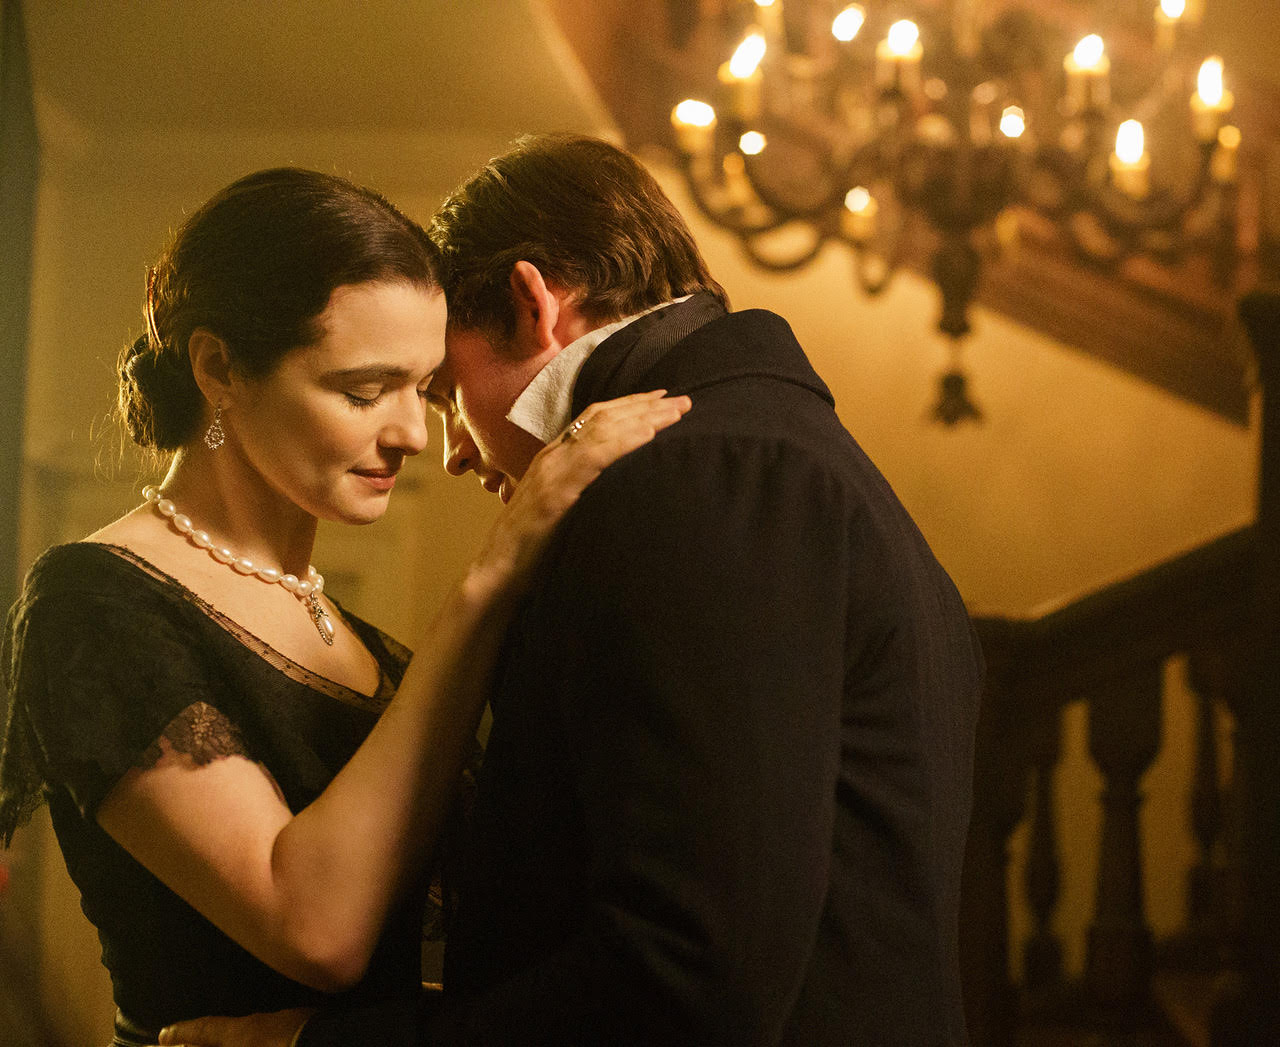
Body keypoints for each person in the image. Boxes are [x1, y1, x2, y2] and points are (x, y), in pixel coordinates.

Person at [162, 135, 984, 1047]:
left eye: (442, 391)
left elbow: (685, 978)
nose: (450, 448)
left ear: (533, 305)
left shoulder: (702, 475)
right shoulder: (769, 453)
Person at [0, 166, 690, 1046]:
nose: (411, 434)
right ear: (218, 368)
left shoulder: (369, 647)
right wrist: (494, 574)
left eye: (425, 389)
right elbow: (316, 931)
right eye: (364, 391)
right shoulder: (94, 600)